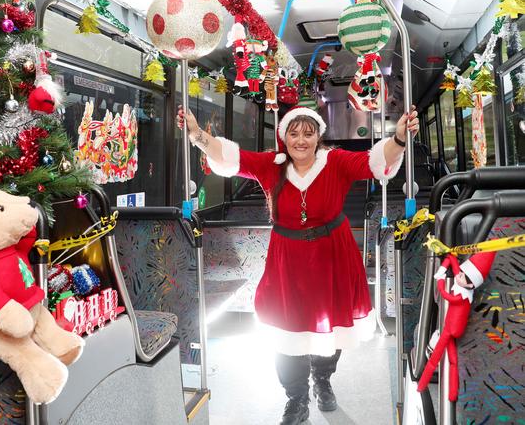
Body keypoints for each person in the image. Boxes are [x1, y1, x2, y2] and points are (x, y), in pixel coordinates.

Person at [177, 104, 419, 424]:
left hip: (332, 253)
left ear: (318, 137)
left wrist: (399, 139)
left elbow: (376, 161)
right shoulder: (271, 165)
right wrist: (196, 134)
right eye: (294, 133)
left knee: (329, 323)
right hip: (286, 257)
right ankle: (296, 397)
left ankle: (322, 379)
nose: (301, 140)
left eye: (308, 133)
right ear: (284, 137)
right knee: (284, 326)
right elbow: (229, 157)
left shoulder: (336, 161)